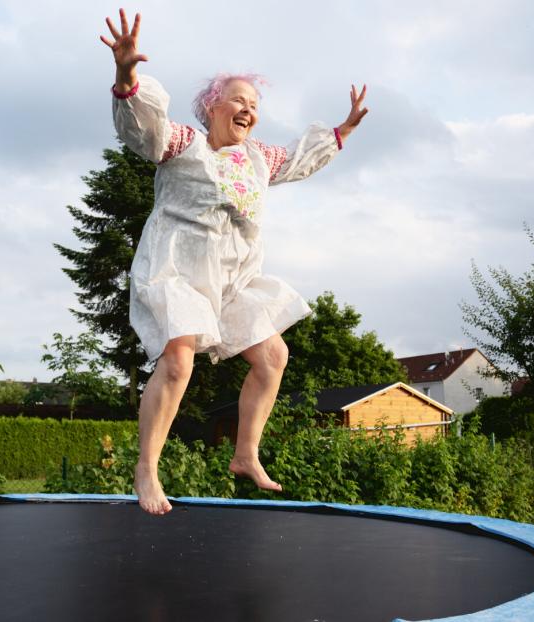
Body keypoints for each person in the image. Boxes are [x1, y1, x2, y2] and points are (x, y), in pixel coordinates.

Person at [101, 9, 368, 515]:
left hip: (231, 284)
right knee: (178, 361)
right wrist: (126, 74)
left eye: (254, 105)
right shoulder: (184, 144)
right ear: (213, 107)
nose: (248, 109)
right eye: (239, 100)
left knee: (274, 357)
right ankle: (147, 469)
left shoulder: (259, 160)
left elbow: (299, 158)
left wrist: (343, 130)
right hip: (177, 271)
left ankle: (245, 455)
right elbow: (142, 130)